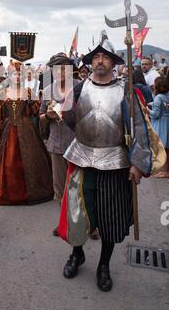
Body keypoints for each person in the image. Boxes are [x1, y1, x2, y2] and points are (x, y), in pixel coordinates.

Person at [58, 35, 165, 292]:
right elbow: (70, 117)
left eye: (105, 56)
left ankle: (104, 264)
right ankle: (77, 254)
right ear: (90, 62)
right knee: (79, 214)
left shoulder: (126, 91)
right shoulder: (79, 89)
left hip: (115, 163)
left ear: (114, 62)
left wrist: (138, 163)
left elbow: (139, 129)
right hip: (83, 160)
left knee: (110, 218)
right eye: (96, 57)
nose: (100, 60)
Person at [0, 61, 53, 205]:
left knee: (31, 160)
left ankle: (31, 192)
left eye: (19, 74)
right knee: (9, 164)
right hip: (7, 129)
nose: (17, 77)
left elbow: (36, 112)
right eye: (14, 74)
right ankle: (7, 192)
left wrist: (33, 101)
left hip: (27, 129)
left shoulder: (28, 92)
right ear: (9, 76)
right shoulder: (3, 93)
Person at [39, 53, 82, 236]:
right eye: (56, 69)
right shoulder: (48, 90)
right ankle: (64, 222)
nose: (60, 72)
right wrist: (49, 115)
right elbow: (40, 117)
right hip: (56, 145)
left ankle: (89, 224)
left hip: (80, 145)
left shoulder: (81, 87)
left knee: (80, 186)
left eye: (63, 68)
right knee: (60, 188)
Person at [148, 76, 169, 178]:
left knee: (162, 149)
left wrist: (147, 110)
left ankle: (164, 171)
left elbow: (155, 114)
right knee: (166, 149)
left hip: (160, 124)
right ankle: (166, 170)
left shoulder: (158, 97)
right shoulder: (167, 95)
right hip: (167, 122)